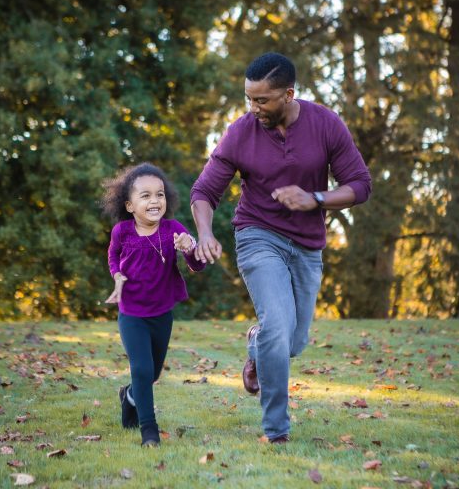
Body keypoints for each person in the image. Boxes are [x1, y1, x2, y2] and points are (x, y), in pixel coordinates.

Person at [190, 52, 371, 444]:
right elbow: (204, 191)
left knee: (292, 341)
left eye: (262, 100)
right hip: (258, 235)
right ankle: (277, 429)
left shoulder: (325, 124)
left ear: (289, 94)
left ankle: (258, 349)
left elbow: (360, 185)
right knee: (277, 324)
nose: (253, 108)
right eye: (249, 99)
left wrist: (316, 199)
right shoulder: (241, 131)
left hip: (307, 245)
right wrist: (205, 233)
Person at [102, 162, 206, 447]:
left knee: (152, 373)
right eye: (145, 195)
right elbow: (113, 257)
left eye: (159, 194)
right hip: (131, 314)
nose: (154, 201)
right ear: (129, 204)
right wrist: (117, 275)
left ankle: (130, 396)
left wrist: (189, 249)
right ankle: (149, 430)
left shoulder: (174, 229)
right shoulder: (122, 232)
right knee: (142, 369)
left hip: (162, 314)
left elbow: (197, 265)